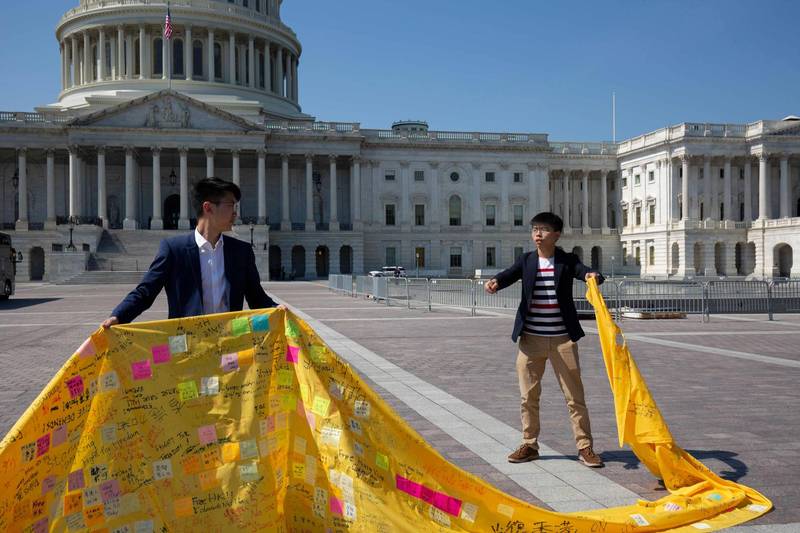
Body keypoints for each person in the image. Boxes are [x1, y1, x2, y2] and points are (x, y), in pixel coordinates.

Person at [484, 212, 605, 468]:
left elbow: (585, 271)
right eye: (535, 229)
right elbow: (508, 274)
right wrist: (495, 282)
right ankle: (529, 444)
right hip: (531, 341)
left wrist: (592, 276)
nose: (538, 234)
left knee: (575, 397)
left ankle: (585, 447)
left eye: (544, 229)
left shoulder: (566, 260)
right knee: (528, 397)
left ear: (557, 234)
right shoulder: (527, 260)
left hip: (563, 341)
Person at [102, 178, 284, 328]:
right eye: (231, 206)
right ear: (208, 207)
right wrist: (118, 317)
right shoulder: (174, 250)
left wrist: (279, 309)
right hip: (187, 349)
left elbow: (257, 298)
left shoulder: (241, 252)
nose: (235, 213)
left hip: (230, 345)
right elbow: (145, 292)